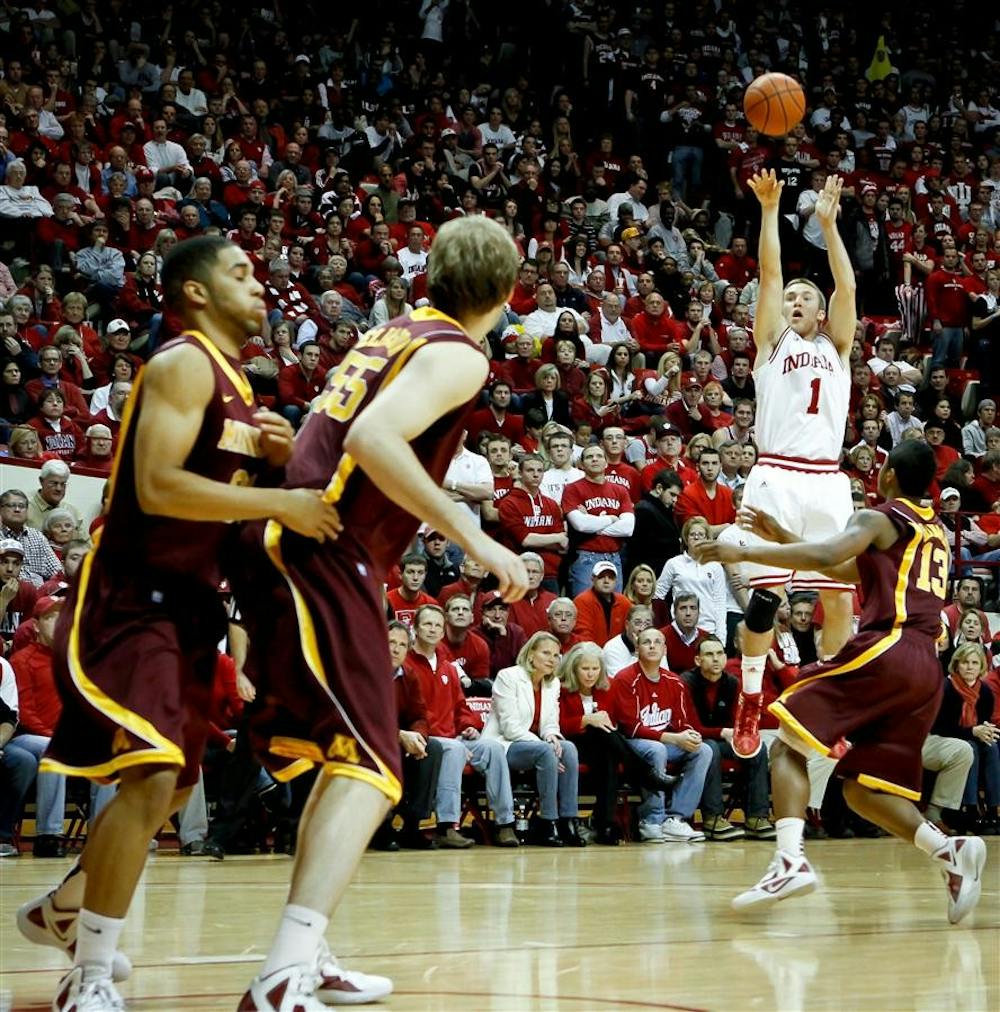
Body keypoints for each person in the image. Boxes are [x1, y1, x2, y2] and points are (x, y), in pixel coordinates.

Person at [15, 236, 342, 1012]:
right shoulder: (182, 363)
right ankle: (89, 975)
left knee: (170, 787)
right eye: (241, 273)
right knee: (154, 773)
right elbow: (159, 486)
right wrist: (280, 496)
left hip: (194, 601)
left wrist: (273, 459)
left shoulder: (237, 387)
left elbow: (221, 500)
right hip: (133, 595)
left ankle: (64, 910)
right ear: (195, 292)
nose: (260, 286)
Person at [231, 216, 527, 1008]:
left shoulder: (396, 329)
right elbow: (372, 437)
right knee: (373, 765)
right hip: (325, 547)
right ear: (506, 291)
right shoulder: (460, 353)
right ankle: (282, 973)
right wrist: (474, 536)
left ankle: (307, 951)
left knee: (346, 758)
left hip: (294, 535)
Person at [694, 441, 987, 921]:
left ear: (887, 474)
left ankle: (789, 860)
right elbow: (844, 569)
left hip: (888, 648)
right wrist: (783, 535)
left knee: (786, 743)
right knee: (862, 789)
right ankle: (948, 851)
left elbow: (831, 550)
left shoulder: (879, 518)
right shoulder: (932, 529)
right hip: (926, 667)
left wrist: (744, 549)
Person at [731, 170, 858, 764]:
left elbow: (847, 287)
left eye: (807, 296)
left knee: (840, 600)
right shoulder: (771, 344)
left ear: (821, 310)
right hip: (777, 473)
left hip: (827, 479)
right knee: (766, 598)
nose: (797, 300)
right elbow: (770, 274)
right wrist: (769, 211)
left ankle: (830, 708)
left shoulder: (838, 348)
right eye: (792, 299)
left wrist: (829, 227)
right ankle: (750, 697)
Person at [406, 605, 519, 848]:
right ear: (415, 629)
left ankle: (505, 823)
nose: (433, 629)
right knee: (456, 749)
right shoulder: (407, 665)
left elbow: (460, 707)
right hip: (427, 738)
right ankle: (447, 826)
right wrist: (452, 740)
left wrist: (469, 725)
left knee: (493, 748)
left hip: (453, 737)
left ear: (443, 630)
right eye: (427, 624)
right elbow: (412, 713)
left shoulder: (448, 667)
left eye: (437, 625)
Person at [557, 642, 677, 845]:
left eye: (595, 668)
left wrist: (600, 722)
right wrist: (586, 720)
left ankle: (605, 825)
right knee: (600, 732)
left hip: (603, 746)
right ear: (573, 668)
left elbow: (616, 723)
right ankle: (644, 774)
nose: (591, 674)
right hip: (571, 745)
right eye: (585, 668)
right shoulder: (560, 689)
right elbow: (558, 725)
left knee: (609, 754)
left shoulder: (609, 686)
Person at [609, 627, 712, 842]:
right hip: (632, 744)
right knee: (657, 750)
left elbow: (683, 722)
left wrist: (690, 736)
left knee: (703, 750)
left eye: (657, 642)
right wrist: (674, 738)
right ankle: (651, 820)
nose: (652, 646)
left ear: (665, 649)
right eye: (646, 642)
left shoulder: (675, 682)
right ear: (637, 649)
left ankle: (675, 819)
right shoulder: (624, 679)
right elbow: (631, 727)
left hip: (665, 742)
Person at [482, 631, 584, 847]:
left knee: (568, 749)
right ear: (530, 655)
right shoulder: (508, 677)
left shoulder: (553, 683)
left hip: (535, 746)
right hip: (503, 745)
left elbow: (550, 723)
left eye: (556, 655)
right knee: (546, 751)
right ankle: (548, 820)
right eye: (546, 653)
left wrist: (552, 737)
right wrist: (546, 746)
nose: (552, 659)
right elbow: (510, 728)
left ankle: (568, 820)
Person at [681, 636, 776, 841]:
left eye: (719, 654)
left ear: (725, 658)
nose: (715, 659)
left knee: (758, 749)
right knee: (710, 749)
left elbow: (738, 723)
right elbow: (690, 726)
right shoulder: (686, 683)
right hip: (693, 741)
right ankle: (713, 817)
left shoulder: (733, 683)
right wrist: (722, 732)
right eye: (709, 654)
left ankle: (757, 817)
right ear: (698, 660)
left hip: (723, 739)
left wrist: (738, 735)